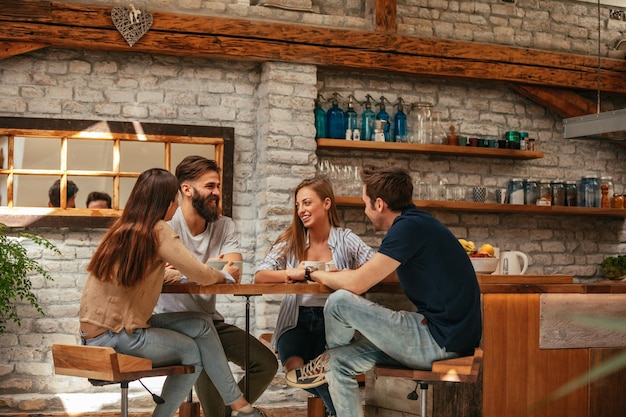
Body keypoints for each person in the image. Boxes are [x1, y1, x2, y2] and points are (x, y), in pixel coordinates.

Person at [286, 166, 482, 417]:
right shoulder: (416, 224)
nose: (365, 211)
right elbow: (368, 273)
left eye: (365, 204)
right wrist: (333, 274)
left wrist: (308, 273)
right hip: (442, 335)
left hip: (440, 342)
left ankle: (326, 357)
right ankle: (330, 362)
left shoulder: (407, 228)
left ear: (379, 204)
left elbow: (357, 284)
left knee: (339, 301)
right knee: (339, 363)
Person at [79, 168, 265, 417]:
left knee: (201, 323)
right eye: (174, 199)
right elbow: (201, 275)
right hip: (118, 335)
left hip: (95, 333)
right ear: (164, 202)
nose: (176, 204)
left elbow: (148, 275)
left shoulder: (123, 229)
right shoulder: (158, 230)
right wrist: (221, 273)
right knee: (192, 353)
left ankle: (238, 405)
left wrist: (187, 272)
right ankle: (231, 407)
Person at [154, 156, 277, 417]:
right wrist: (211, 270)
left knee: (266, 363)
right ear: (187, 189)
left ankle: (231, 414)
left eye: (218, 186)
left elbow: (236, 273)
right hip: (174, 325)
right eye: (210, 186)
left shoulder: (224, 225)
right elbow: (161, 275)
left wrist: (192, 270)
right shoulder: (166, 225)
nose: (217, 193)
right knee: (215, 408)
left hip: (210, 322)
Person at [254, 178, 375, 417]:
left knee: (328, 371)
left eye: (307, 203)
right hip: (295, 322)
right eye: (298, 205)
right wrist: (291, 272)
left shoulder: (345, 238)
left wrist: (346, 275)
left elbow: (374, 267)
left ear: (326, 203)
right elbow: (260, 276)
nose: (301, 210)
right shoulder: (292, 239)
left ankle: (337, 412)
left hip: (333, 323)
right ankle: (339, 412)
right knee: (295, 368)